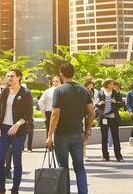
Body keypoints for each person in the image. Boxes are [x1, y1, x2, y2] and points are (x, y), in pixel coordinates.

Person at [45, 62, 93, 194]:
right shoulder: (84, 90)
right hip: (78, 133)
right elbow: (91, 112)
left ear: (61, 74)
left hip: (62, 134)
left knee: (63, 168)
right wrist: (87, 128)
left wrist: (49, 135)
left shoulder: (59, 90)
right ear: (74, 73)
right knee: (79, 167)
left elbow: (55, 114)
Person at [0, 69, 33, 194]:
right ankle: (1, 188)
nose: (9, 78)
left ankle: (15, 189)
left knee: (16, 161)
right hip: (3, 129)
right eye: (8, 76)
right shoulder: (5, 91)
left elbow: (28, 113)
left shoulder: (25, 93)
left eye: (12, 76)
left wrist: (17, 125)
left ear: (19, 77)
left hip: (18, 130)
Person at [94, 79, 124, 161]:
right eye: (111, 84)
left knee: (116, 137)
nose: (112, 86)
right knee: (104, 137)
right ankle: (105, 156)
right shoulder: (101, 93)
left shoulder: (116, 93)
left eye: (113, 84)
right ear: (107, 85)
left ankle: (119, 156)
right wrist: (100, 103)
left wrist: (115, 101)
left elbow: (121, 103)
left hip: (113, 117)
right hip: (104, 117)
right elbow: (96, 103)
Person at [37, 76, 60, 141]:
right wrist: (43, 113)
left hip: (60, 112)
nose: (56, 83)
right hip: (49, 112)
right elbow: (41, 101)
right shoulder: (48, 91)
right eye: (54, 81)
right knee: (49, 129)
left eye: (57, 81)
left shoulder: (63, 91)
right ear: (52, 82)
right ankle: (49, 145)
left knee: (59, 130)